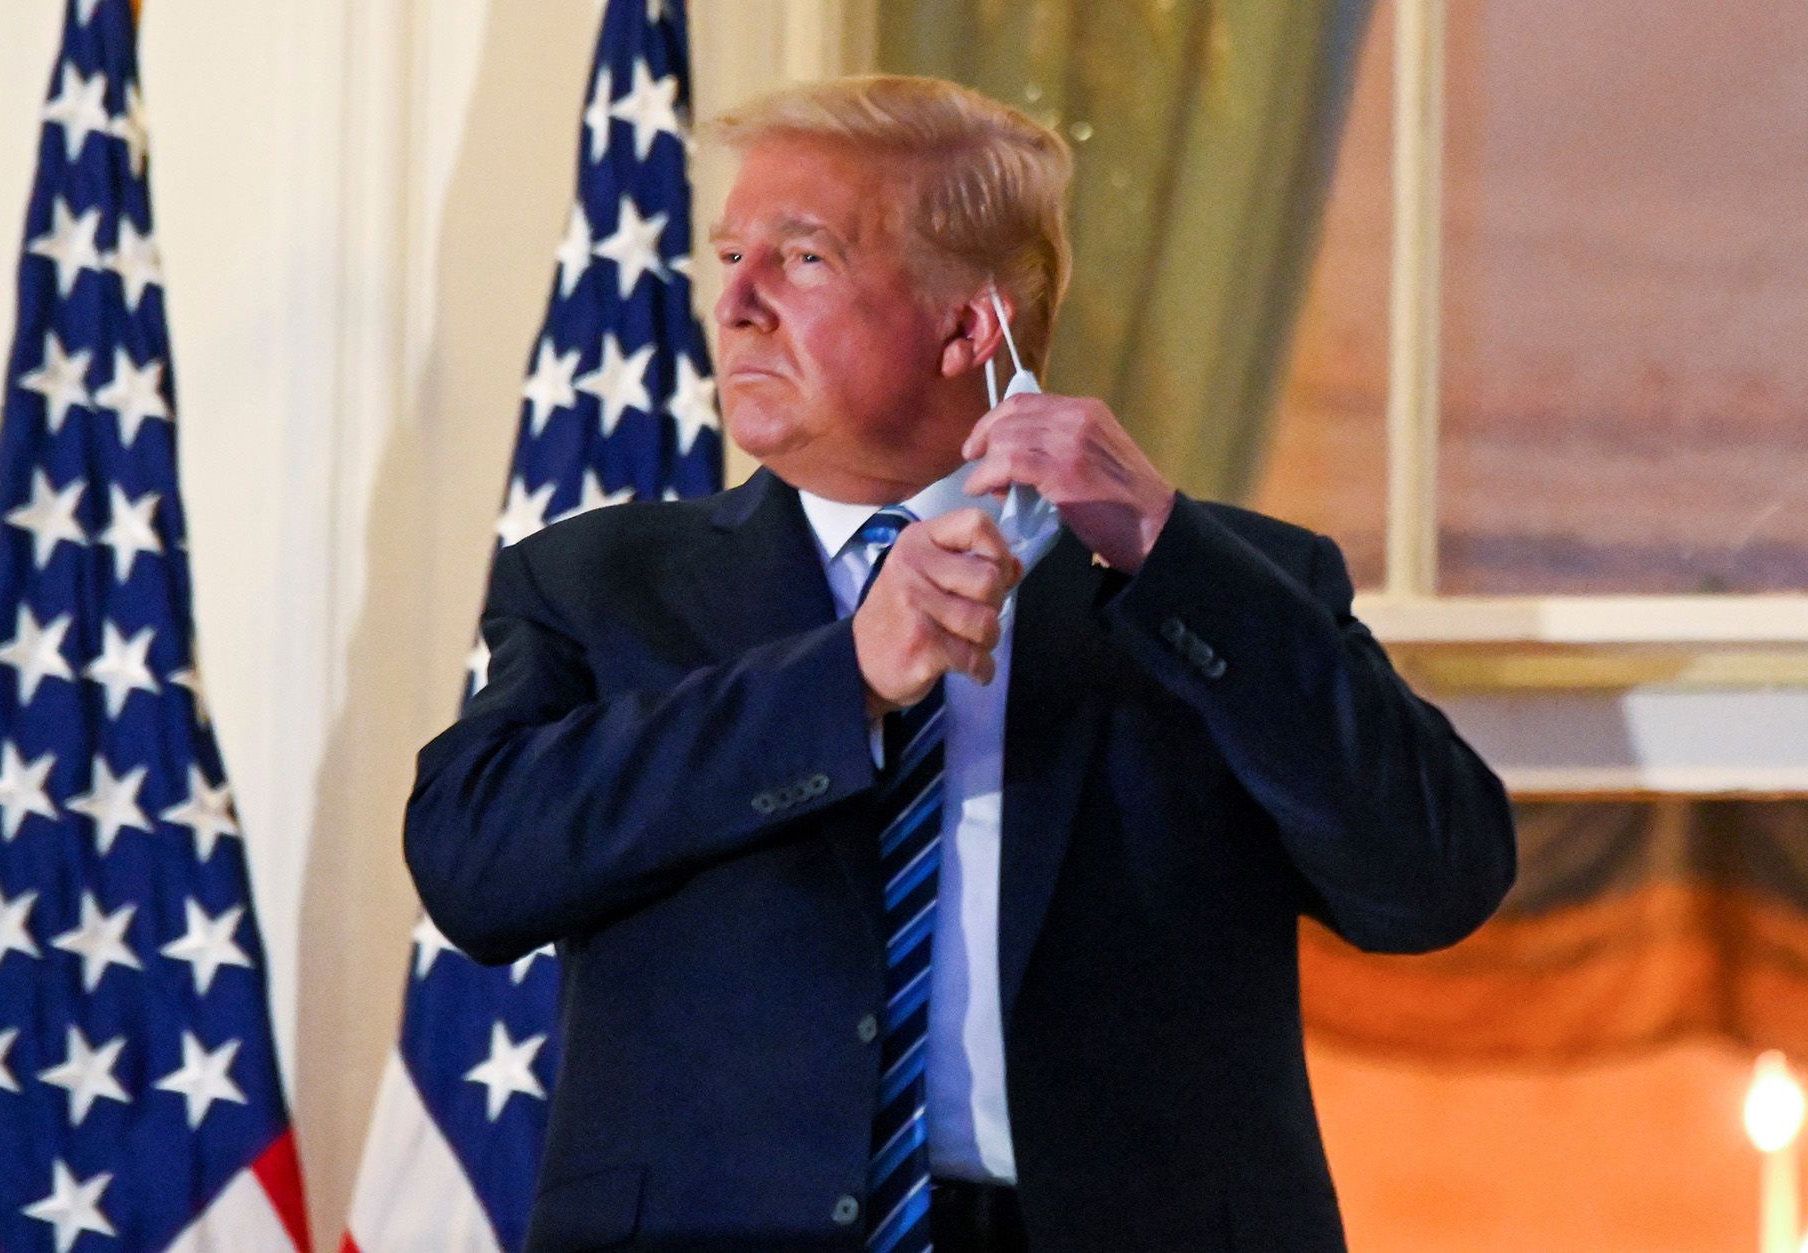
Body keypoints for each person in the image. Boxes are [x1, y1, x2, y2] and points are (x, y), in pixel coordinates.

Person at [405, 74, 1516, 1253]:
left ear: (968, 327)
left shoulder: (1223, 585)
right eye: (729, 256)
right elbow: (474, 866)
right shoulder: (600, 582)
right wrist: (841, 680)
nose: (733, 304)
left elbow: (1432, 878)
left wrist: (1167, 554)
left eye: (804, 258)